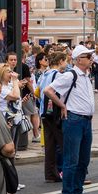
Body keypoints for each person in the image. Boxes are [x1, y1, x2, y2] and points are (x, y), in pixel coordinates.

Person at [44, 45, 97, 194]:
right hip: (74, 120)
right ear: (79, 59)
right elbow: (48, 90)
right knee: (71, 160)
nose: (91, 59)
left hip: (85, 121)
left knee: (83, 160)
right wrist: (62, 106)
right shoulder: (70, 74)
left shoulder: (85, 75)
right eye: (88, 56)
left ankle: (77, 192)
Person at [38, 49, 68, 183]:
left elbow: (38, 92)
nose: (66, 64)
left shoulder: (44, 74)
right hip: (55, 112)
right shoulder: (58, 75)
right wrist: (62, 105)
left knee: (50, 145)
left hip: (44, 112)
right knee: (63, 143)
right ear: (60, 61)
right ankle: (67, 172)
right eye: (66, 61)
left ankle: (50, 174)